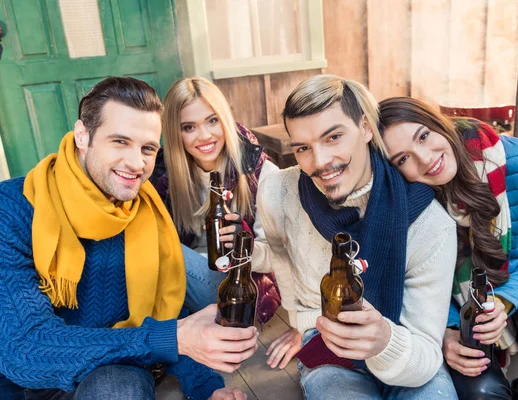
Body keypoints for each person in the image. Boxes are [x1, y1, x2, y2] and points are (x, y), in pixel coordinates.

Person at [0, 77, 257, 400]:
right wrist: (171, 338)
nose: (137, 164)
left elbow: (163, 310)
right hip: (28, 385)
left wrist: (206, 387)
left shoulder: (144, 211)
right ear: (83, 135)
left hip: (112, 369)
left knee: (119, 387)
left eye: (148, 148)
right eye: (120, 142)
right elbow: (24, 349)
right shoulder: (12, 208)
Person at [253, 74, 459, 399]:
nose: (320, 162)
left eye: (333, 137)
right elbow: (282, 257)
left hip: (404, 345)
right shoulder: (278, 192)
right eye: (303, 148)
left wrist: (384, 342)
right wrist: (299, 323)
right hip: (326, 342)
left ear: (365, 128)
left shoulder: (430, 225)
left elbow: (425, 355)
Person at [378, 97, 518, 400]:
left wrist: (503, 303)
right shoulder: (404, 201)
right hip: (452, 307)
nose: (425, 159)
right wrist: (446, 330)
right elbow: (406, 280)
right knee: (481, 392)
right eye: (402, 159)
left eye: (424, 136)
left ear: (439, 122)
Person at [150, 77, 280, 323]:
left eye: (212, 121)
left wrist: (243, 244)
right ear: (175, 133)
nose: (204, 135)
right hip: (183, 288)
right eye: (189, 127)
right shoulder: (165, 178)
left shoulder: (261, 173)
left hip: (242, 292)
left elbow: (276, 258)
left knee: (160, 251)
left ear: (226, 120)